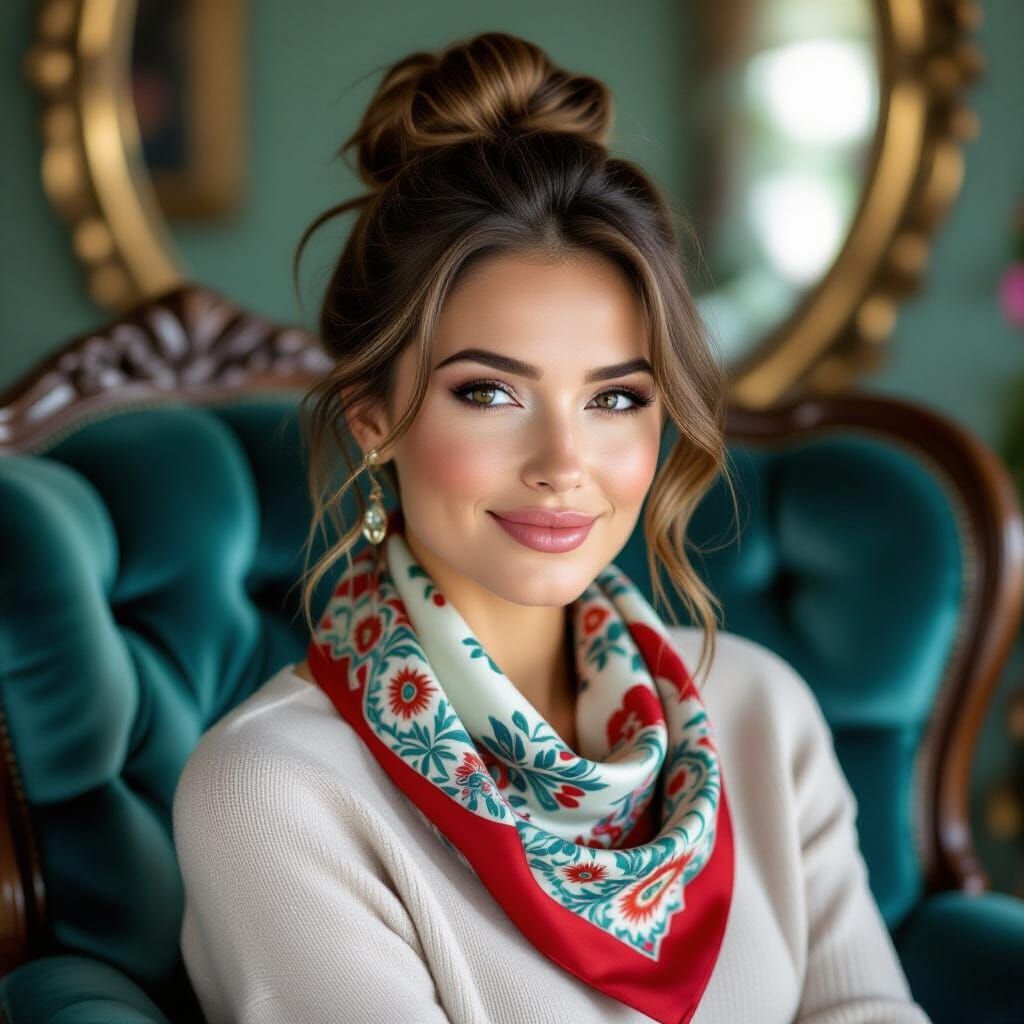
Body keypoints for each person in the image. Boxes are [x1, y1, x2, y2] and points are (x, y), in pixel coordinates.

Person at [172, 30, 933, 1024]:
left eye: (615, 399)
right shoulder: (273, 791)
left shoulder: (759, 713)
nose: (562, 464)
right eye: (488, 391)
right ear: (371, 419)